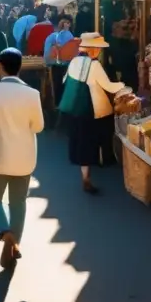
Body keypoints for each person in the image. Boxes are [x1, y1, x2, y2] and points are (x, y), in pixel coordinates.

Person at [0, 48, 44, 269]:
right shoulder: (32, 94)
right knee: (18, 202)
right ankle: (15, 243)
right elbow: (39, 126)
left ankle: (5, 234)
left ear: (2, 66)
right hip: (24, 158)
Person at [63, 33, 126, 194]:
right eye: (97, 48)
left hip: (74, 108)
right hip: (91, 108)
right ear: (92, 49)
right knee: (92, 140)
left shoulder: (74, 61)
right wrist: (124, 85)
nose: (99, 51)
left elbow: (65, 81)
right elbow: (108, 86)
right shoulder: (94, 65)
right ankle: (93, 170)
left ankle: (85, 175)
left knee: (81, 141)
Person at [44, 14, 76, 107]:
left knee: (57, 88)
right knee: (64, 89)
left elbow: (47, 57)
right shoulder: (69, 36)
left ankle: (58, 107)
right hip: (66, 66)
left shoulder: (52, 37)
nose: (67, 25)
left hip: (57, 66)